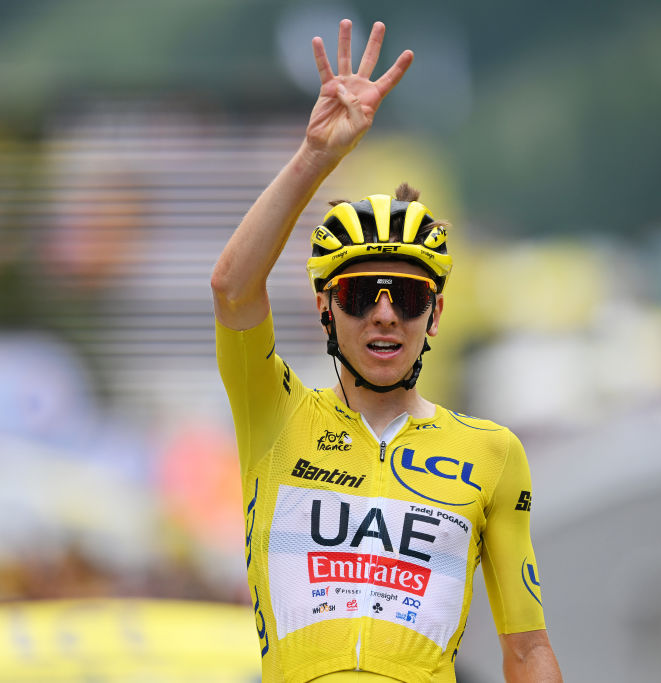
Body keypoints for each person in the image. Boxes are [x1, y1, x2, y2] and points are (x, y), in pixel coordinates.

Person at [211, 19, 562, 683]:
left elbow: (528, 650)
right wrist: (316, 155)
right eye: (358, 294)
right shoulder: (275, 413)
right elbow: (232, 291)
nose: (383, 314)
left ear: (433, 316)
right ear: (324, 306)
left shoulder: (492, 453)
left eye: (405, 297)